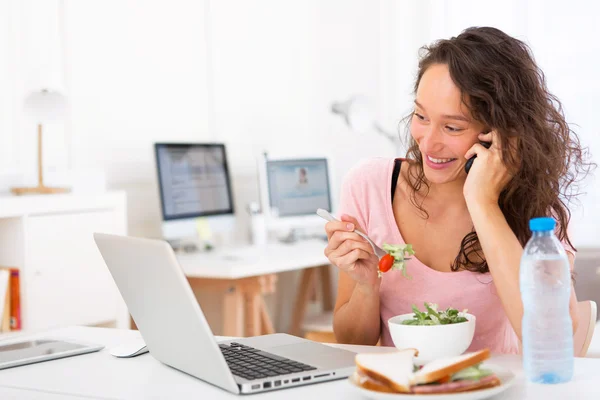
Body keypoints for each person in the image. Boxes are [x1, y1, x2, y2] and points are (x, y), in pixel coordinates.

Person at [324, 27, 593, 353]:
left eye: (452, 127)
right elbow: (354, 344)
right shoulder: (369, 185)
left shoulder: (537, 212)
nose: (428, 142)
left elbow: (551, 341)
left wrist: (483, 202)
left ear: (500, 131)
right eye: (421, 116)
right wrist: (367, 288)